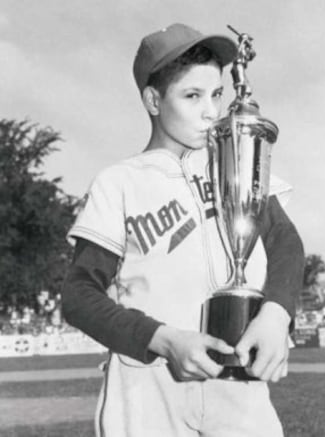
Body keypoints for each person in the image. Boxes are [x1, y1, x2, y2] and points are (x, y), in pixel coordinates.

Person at [62, 23, 304, 437]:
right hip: (149, 380)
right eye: (192, 96)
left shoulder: (236, 159)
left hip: (237, 374)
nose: (211, 111)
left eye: (216, 95)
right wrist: (162, 338)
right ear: (154, 100)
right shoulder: (119, 181)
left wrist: (277, 314)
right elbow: (79, 295)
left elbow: (285, 244)